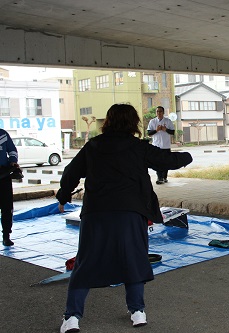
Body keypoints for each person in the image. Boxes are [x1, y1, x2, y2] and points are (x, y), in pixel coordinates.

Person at [56, 104, 192, 333]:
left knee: (86, 263)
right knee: (134, 259)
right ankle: (137, 312)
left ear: (108, 121)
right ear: (133, 123)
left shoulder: (93, 146)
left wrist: (63, 196)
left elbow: (71, 172)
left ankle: (72, 318)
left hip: (96, 213)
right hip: (131, 213)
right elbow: (167, 160)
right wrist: (188, 156)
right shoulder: (137, 147)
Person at [0, 129, 19, 247]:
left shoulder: (3, 134)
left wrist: (13, 161)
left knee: (7, 207)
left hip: (3, 175)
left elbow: (12, 150)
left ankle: (6, 236)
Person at [147, 106, 175, 184]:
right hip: (156, 145)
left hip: (166, 146)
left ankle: (164, 177)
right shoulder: (152, 121)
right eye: (157, 112)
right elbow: (149, 133)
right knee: (157, 162)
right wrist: (156, 130)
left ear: (163, 112)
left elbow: (172, 132)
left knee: (166, 162)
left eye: (160, 111)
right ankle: (159, 178)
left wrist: (165, 129)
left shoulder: (168, 121)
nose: (159, 113)